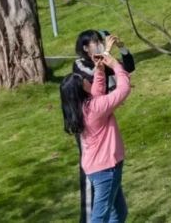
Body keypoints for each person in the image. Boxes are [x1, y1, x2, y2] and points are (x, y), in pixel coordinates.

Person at [60, 35, 131, 223]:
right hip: (106, 169)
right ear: (80, 89)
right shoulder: (94, 109)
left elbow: (97, 92)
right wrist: (116, 65)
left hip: (100, 167)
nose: (84, 79)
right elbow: (123, 90)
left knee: (119, 213)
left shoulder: (82, 107)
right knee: (100, 217)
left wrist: (99, 69)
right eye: (80, 79)